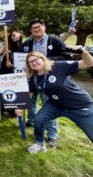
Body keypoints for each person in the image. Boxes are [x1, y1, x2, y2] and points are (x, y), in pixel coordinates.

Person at [24, 49, 93, 154]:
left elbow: (89, 63)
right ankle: (39, 144)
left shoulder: (58, 66)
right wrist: (19, 107)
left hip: (80, 106)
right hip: (55, 105)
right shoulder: (34, 78)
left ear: (42, 59)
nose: (34, 63)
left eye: (36, 59)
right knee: (39, 119)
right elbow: (29, 94)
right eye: (30, 62)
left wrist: (84, 52)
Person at [21, 18, 72, 148]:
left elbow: (66, 57)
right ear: (31, 31)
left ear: (44, 27)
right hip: (31, 78)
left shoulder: (55, 41)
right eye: (33, 28)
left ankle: (52, 135)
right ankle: (31, 121)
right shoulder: (27, 43)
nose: (36, 29)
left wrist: (45, 60)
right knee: (30, 102)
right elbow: (21, 59)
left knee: (49, 106)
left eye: (39, 27)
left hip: (48, 79)